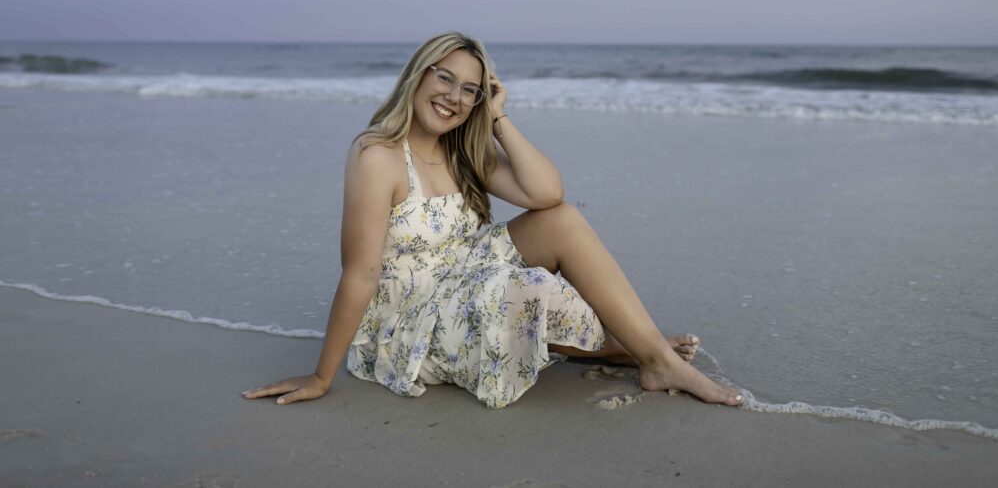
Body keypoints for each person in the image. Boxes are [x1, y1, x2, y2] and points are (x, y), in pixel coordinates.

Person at [243, 33, 743, 409]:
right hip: (414, 320)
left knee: (561, 220)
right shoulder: (378, 155)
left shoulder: (465, 150)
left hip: (466, 279)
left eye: (470, 91)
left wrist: (499, 118)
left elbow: (548, 194)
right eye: (444, 78)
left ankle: (649, 355)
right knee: (522, 288)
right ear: (418, 74)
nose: (454, 98)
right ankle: (632, 349)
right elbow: (361, 272)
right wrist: (321, 377)